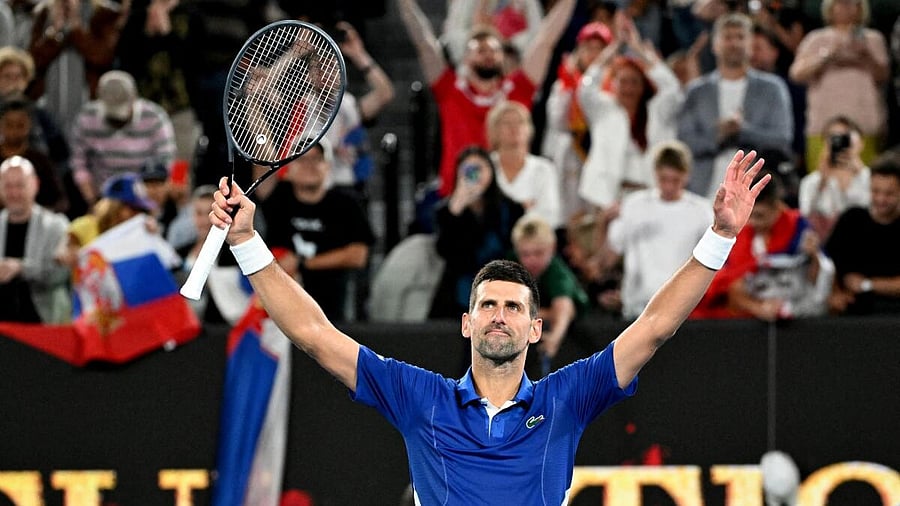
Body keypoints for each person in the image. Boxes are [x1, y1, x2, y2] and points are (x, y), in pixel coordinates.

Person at [208, 148, 769, 504]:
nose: (500, 314)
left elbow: (654, 327)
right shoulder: (419, 397)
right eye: (489, 305)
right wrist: (246, 243)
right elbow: (313, 333)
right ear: (466, 323)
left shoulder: (567, 398)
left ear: (533, 328)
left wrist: (719, 236)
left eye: (514, 307)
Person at [398, 0, 575, 197]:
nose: (488, 55)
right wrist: (404, 4)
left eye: (494, 50)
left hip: (511, 198)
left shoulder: (517, 89)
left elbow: (545, 41)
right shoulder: (450, 89)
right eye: (481, 51)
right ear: (466, 57)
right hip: (458, 198)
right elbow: (424, 44)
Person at [677, 12, 793, 199]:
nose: (734, 43)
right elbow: (685, 142)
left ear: (750, 45)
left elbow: (781, 139)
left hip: (755, 196)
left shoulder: (772, 88)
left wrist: (742, 131)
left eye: (740, 37)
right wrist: (718, 136)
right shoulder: (697, 91)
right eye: (728, 37)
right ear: (715, 45)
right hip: (702, 192)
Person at [257, 139, 375, 322]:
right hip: (281, 310)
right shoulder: (278, 198)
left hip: (333, 308)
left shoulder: (346, 203)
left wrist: (303, 263)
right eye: (302, 159)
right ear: (289, 167)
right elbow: (262, 160)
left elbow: (359, 255)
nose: (309, 166)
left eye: (316, 159)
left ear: (327, 166)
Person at [577, 13, 684, 209]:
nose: (628, 88)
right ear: (614, 85)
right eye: (623, 82)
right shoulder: (603, 109)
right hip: (605, 198)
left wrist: (639, 49)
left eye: (635, 82)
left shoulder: (657, 111)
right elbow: (586, 88)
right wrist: (614, 47)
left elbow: (672, 89)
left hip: (652, 197)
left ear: (643, 86)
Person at [694, 171, 833, 320]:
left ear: (777, 206)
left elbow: (818, 278)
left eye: (760, 216)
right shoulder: (740, 234)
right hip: (749, 314)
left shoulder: (799, 228)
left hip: (795, 308)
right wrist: (758, 308)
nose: (753, 222)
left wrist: (814, 256)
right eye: (749, 216)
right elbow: (731, 283)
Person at [599, 140, 713, 320]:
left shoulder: (702, 211)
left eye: (675, 180)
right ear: (655, 174)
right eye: (663, 179)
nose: (668, 187)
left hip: (685, 310)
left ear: (687, 175)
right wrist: (603, 224)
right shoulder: (634, 205)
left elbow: (712, 264)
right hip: (637, 309)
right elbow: (607, 261)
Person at [787, 0, 889, 172]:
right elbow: (796, 74)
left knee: (864, 181)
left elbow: (883, 76)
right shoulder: (816, 38)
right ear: (830, 8)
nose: (846, 8)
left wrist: (865, 55)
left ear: (860, 8)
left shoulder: (872, 39)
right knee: (822, 180)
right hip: (822, 125)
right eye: (841, 4)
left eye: (851, 4)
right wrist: (827, 55)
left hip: (864, 124)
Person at [429, 146, 524, 318]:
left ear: (491, 171)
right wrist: (455, 210)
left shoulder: (510, 208)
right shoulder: (445, 210)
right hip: (459, 292)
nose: (475, 175)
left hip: (501, 284)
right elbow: (443, 251)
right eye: (468, 170)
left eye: (480, 168)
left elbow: (515, 248)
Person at [69, 70, 176, 207]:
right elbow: (78, 164)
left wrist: (152, 204)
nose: (117, 120)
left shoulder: (154, 117)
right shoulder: (87, 118)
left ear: (134, 99)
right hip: (102, 195)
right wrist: (93, 203)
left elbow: (167, 161)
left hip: (145, 193)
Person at [509, 213, 588, 373]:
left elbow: (565, 309)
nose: (531, 260)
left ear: (552, 249)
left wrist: (555, 338)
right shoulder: (510, 266)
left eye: (538, 253)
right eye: (525, 254)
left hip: (575, 322)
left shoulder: (557, 272)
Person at [824, 151, 900, 315]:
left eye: (889, 193)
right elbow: (828, 262)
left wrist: (867, 284)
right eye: (875, 191)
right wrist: (836, 293)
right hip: (852, 315)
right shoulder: (851, 219)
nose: (880, 199)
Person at [0, 155, 70, 323]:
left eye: (20, 185)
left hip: (43, 324)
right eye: (8, 186)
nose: (14, 193)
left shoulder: (56, 225)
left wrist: (21, 268)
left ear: (35, 184)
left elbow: (60, 274)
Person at [486, 100, 562, 229]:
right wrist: (524, 208)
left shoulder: (544, 169)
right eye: (507, 123)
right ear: (494, 130)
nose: (514, 128)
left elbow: (551, 216)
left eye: (520, 122)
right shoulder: (485, 167)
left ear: (529, 129)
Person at [797, 115, 870, 241]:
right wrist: (822, 181)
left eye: (846, 136)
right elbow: (806, 218)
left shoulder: (871, 178)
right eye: (833, 137)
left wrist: (860, 172)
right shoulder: (811, 182)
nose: (840, 142)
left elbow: (878, 212)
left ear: (860, 143)